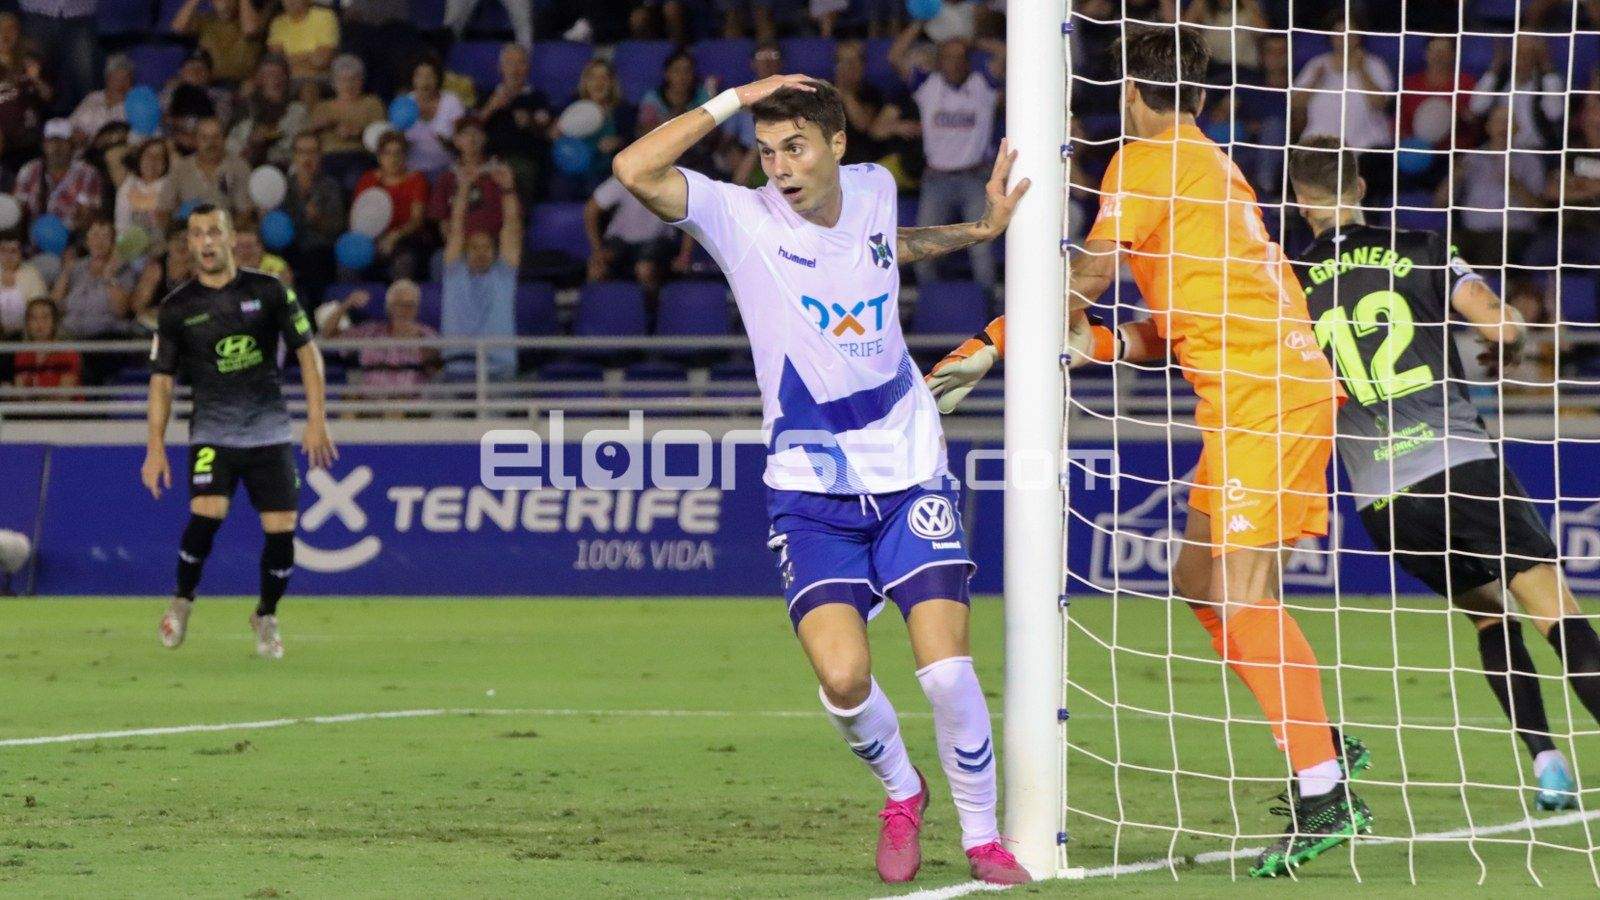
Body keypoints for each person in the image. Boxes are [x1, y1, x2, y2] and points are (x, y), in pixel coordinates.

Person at [927, 26, 1372, 879]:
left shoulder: (1144, 162)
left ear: (1132, 97)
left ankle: (1323, 786)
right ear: (1198, 97)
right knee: (1199, 581)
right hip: (1264, 386)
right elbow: (1159, 334)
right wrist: (1076, 343)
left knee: (1243, 595)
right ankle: (1314, 735)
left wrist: (998, 332)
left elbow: (1085, 283)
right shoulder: (1212, 164)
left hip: (1262, 395)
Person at [613, 73, 1032, 885]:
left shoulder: (875, 188)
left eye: (796, 147)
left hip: (910, 469)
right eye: (768, 153)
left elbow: (884, 250)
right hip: (810, 490)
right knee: (843, 678)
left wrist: (979, 230)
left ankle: (983, 840)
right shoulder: (739, 219)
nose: (781, 167)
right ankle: (902, 792)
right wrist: (739, 97)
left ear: (839, 147)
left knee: (946, 671)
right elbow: (634, 169)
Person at [1286, 136, 1600, 813]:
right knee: (1557, 612)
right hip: (1460, 465)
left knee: (1490, 620)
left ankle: (1547, 761)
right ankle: (1551, 759)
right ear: (1361, 187)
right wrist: (1503, 326)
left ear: (1299, 199)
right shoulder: (1422, 246)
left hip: (1382, 498)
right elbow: (1504, 328)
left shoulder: (1285, 279)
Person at [143, 202, 336, 660]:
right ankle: (182, 601)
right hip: (213, 430)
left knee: (282, 526)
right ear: (188, 244)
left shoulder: (269, 291)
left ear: (231, 239)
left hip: (268, 430)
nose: (206, 242)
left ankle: (266, 616)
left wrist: (317, 419)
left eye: (214, 232)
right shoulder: (176, 308)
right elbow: (162, 381)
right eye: (197, 234)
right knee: (207, 511)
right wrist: (155, 445)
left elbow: (308, 353)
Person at [890, 22, 1005, 290]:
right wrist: (919, 25)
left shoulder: (983, 85)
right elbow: (895, 56)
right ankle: (934, 306)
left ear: (968, 61)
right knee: (922, 252)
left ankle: (987, 314)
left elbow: (1005, 53)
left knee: (981, 252)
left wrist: (974, 41)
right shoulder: (927, 85)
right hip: (936, 180)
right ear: (939, 62)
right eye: (948, 57)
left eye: (960, 57)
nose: (954, 62)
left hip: (975, 178)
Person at [1439, 103, 1547, 268]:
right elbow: (1440, 203)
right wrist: (1453, 178)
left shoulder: (1530, 161)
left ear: (1517, 128)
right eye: (1498, 121)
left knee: (1492, 257)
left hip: (1510, 233)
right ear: (1488, 127)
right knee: (1443, 252)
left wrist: (1514, 185)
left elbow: (1541, 211)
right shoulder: (1471, 159)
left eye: (1508, 122)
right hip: (1470, 233)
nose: (1503, 127)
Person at [440, 162, 519, 381]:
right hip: (456, 368)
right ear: (466, 251)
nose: (480, 252)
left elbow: (511, 226)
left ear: (495, 253)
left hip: (499, 368)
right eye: (474, 247)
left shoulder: (504, 275)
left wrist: (507, 189)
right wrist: (464, 188)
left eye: (486, 248)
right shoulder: (454, 273)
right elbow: (456, 227)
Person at [319, 279, 439, 399]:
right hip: (371, 401)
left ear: (417, 308)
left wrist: (416, 340)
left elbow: (435, 371)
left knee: (397, 405)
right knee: (350, 399)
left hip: (408, 403)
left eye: (410, 305)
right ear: (389, 307)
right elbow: (327, 335)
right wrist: (347, 304)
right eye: (399, 304)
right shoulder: (370, 332)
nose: (405, 310)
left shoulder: (426, 335)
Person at [584, 173, 691, 295]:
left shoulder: (675, 183)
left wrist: (684, 255)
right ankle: (598, 310)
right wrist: (597, 250)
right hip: (619, 241)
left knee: (645, 269)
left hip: (658, 241)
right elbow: (591, 210)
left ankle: (650, 311)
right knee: (596, 269)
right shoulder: (625, 178)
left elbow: (692, 220)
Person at [477, 42, 550, 205]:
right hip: (488, 158)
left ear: (528, 68)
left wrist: (530, 122)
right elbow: (470, 128)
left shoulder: (537, 98)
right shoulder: (487, 95)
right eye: (510, 63)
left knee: (516, 173)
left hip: (522, 159)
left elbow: (546, 133)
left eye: (520, 63)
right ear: (500, 67)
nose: (515, 69)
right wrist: (490, 108)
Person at [548, 59, 631, 200]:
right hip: (571, 170)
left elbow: (633, 139)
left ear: (611, 83)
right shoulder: (571, 105)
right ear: (585, 82)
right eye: (593, 77)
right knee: (559, 187)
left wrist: (618, 142)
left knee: (597, 190)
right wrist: (554, 132)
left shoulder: (622, 110)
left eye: (604, 77)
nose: (599, 83)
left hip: (603, 171)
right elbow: (552, 134)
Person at [353, 131, 431, 280]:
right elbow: (357, 217)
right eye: (387, 153)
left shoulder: (417, 180)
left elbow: (417, 219)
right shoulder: (367, 179)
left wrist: (394, 236)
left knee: (404, 261)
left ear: (405, 156)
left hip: (405, 239)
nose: (393, 159)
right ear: (379, 157)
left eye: (398, 153)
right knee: (350, 263)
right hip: (371, 239)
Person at [305, 53, 384, 190]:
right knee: (323, 180)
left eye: (354, 79)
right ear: (334, 83)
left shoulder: (372, 103)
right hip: (327, 157)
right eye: (343, 80)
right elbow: (307, 136)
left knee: (353, 180)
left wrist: (359, 133)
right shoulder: (323, 107)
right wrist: (321, 126)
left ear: (361, 81)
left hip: (359, 155)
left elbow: (383, 137)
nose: (348, 85)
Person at [281, 131, 343, 301]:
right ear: (294, 156)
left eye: (312, 152)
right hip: (288, 248)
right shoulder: (282, 187)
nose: (307, 158)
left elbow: (337, 228)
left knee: (315, 262)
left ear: (320, 155)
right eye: (302, 152)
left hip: (319, 249)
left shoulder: (330, 186)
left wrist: (317, 220)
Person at [52, 216, 135, 339]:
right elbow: (54, 304)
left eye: (105, 237)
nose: (99, 241)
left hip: (105, 337)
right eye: (95, 235)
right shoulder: (76, 268)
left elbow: (121, 310)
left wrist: (109, 277)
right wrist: (66, 273)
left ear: (113, 243)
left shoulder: (123, 269)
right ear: (87, 240)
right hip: (71, 335)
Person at [427, 115, 507, 241]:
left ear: (484, 138)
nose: (472, 138)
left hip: (496, 245)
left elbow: (512, 216)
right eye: (465, 134)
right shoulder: (447, 177)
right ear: (456, 141)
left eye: (477, 133)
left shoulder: (500, 172)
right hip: (461, 248)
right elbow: (444, 223)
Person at [14, 117, 102, 231]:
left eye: (62, 141)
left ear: (72, 145)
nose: (57, 147)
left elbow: (88, 217)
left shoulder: (87, 173)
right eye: (51, 141)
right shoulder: (29, 170)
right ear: (44, 145)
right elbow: (18, 209)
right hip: (35, 241)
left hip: (72, 240)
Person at [226, 54, 307, 169]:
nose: (275, 79)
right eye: (269, 75)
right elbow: (232, 147)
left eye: (279, 74)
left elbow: (299, 145)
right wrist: (251, 144)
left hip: (284, 167)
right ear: (259, 79)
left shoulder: (297, 110)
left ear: (286, 78)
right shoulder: (246, 109)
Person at [167, 115, 254, 214]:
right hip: (188, 226)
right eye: (204, 137)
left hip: (229, 226)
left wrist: (227, 228)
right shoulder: (180, 169)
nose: (211, 143)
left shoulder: (240, 167)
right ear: (196, 140)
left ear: (224, 139)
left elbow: (245, 211)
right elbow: (165, 208)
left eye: (216, 136)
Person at [170, 0, 264, 86]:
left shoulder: (252, 18)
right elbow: (178, 29)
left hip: (241, 84)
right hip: (207, 82)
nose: (224, 2)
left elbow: (251, 30)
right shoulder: (205, 19)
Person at [401, 57, 466, 179]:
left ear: (438, 79)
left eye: (430, 76)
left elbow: (464, 141)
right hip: (412, 171)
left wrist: (446, 142)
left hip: (448, 169)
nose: (425, 82)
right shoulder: (404, 103)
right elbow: (396, 143)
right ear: (413, 79)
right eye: (419, 76)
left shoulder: (452, 101)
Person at [11, 296, 80, 390]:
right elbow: (20, 394)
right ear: (27, 323)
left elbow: (64, 397)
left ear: (54, 322)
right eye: (34, 318)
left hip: (62, 405)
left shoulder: (67, 352)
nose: (39, 322)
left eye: (45, 317)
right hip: (31, 404)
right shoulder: (22, 354)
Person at [266, 0, 340, 83]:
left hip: (318, 79)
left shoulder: (325, 16)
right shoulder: (278, 23)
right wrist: (309, 56)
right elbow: (278, 63)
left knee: (307, 88)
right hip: (286, 81)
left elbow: (321, 60)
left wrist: (290, 59)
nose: (290, 2)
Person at [68, 53, 133, 142]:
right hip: (87, 150)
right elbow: (71, 125)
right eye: (116, 78)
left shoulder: (136, 104)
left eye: (125, 78)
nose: (121, 84)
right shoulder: (93, 98)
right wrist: (76, 133)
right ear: (107, 79)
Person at [115, 137, 172, 239]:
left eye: (159, 157)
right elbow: (121, 224)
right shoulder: (129, 184)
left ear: (165, 163)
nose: (152, 160)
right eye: (148, 155)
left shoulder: (170, 186)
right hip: (129, 246)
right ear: (140, 158)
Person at [0, 232, 48, 336]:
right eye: (3, 251)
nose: (8, 256)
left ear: (20, 254)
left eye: (13, 251)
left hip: (26, 334)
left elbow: (39, 309)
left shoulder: (32, 274)